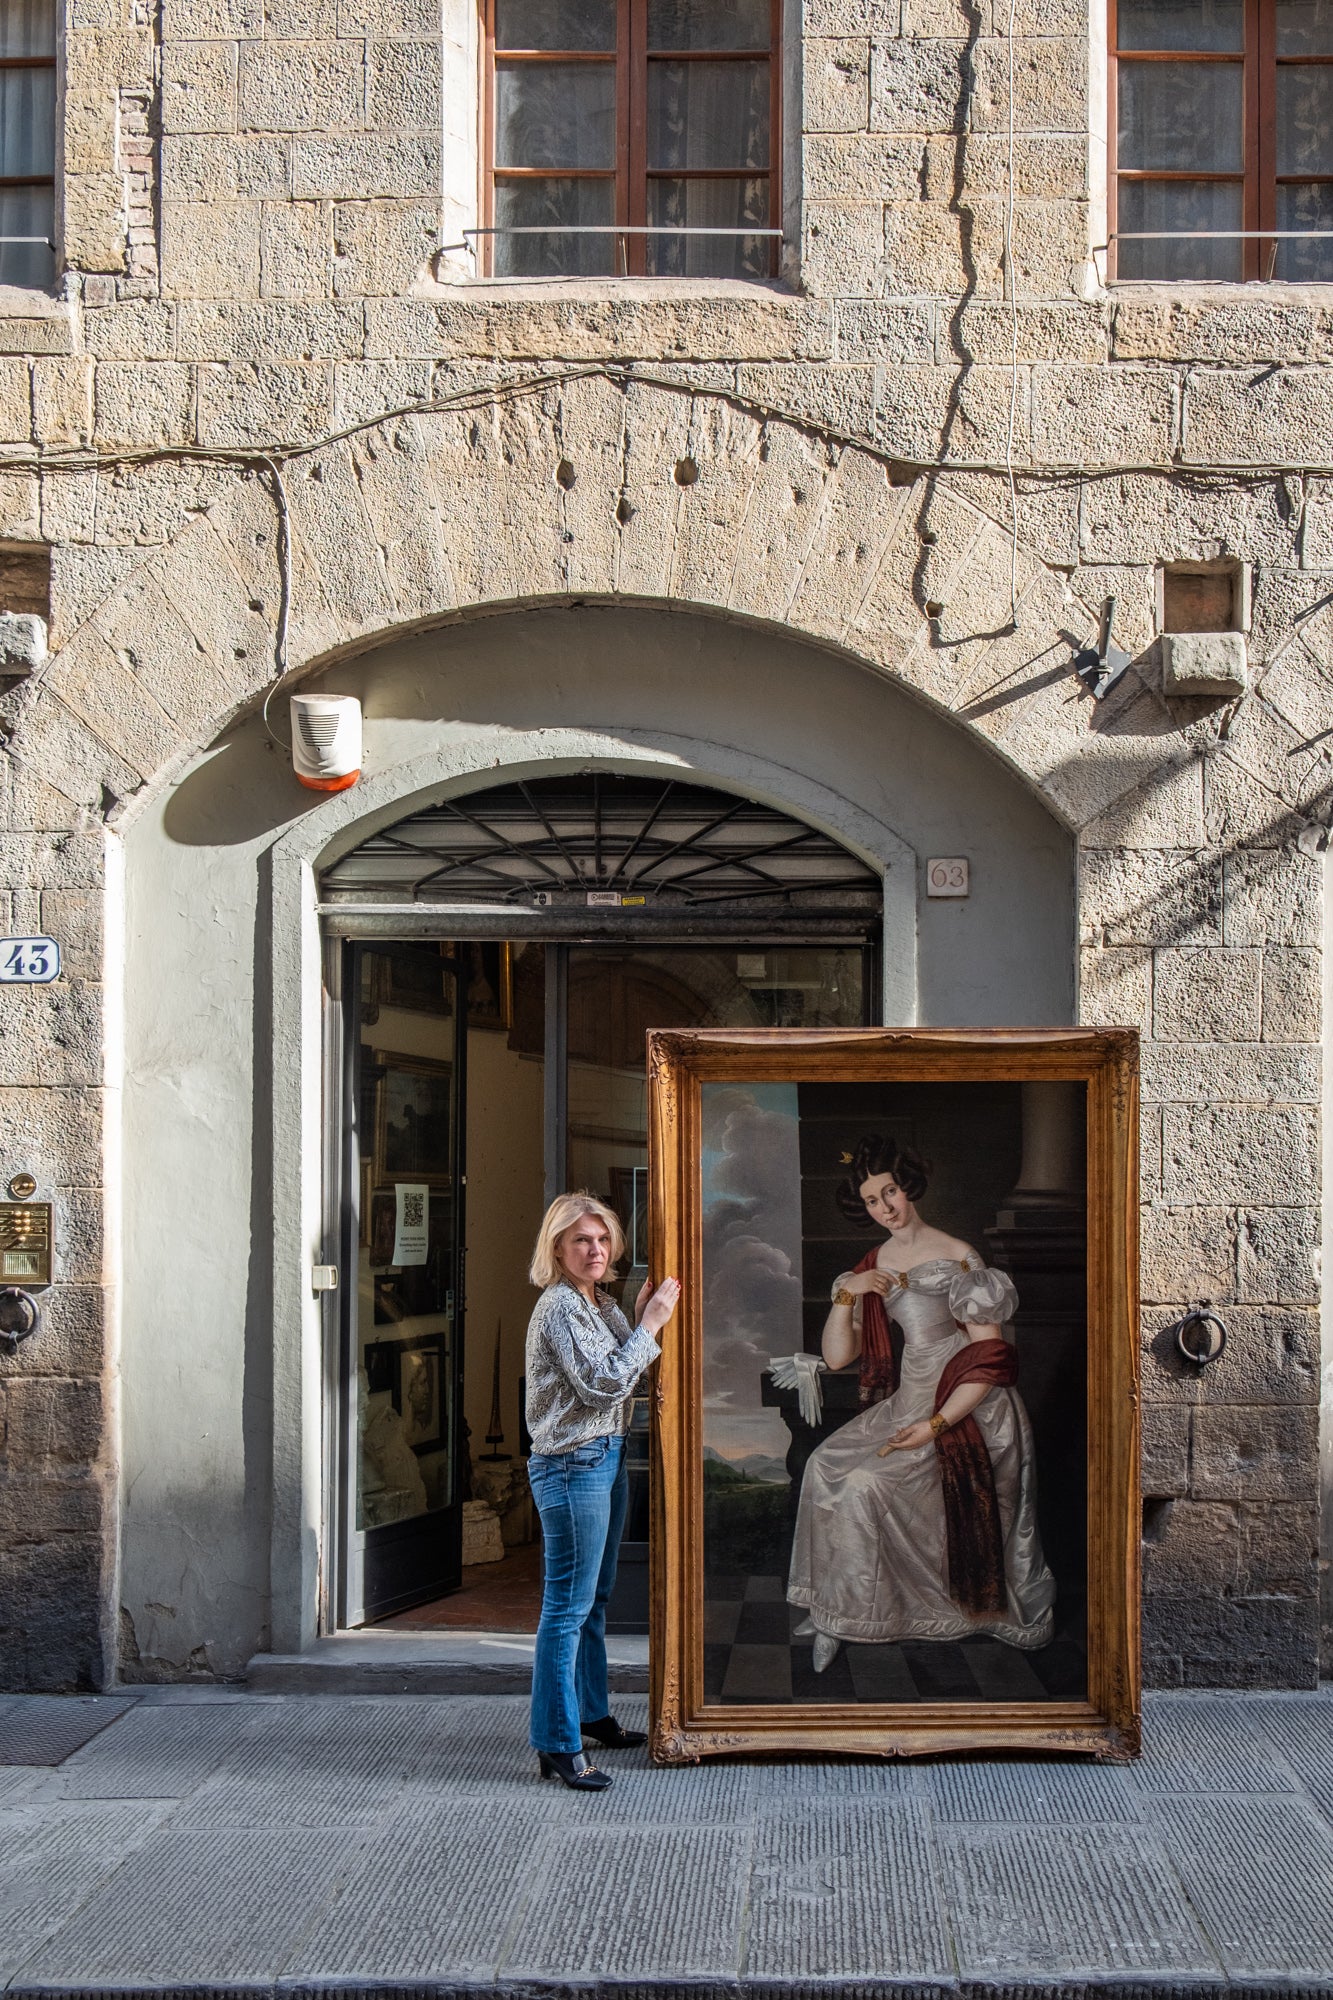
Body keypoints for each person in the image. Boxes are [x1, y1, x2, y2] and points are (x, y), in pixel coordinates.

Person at [787, 1135, 1055, 1670]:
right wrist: (849, 1292)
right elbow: (838, 1356)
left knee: (865, 1484)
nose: (884, 1208)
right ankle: (835, 1607)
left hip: (967, 1402)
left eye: (890, 1192)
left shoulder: (959, 1255)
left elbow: (989, 1358)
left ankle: (860, 1616)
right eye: (871, 1200)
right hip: (910, 1396)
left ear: (908, 1187)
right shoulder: (873, 1262)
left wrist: (936, 1425)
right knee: (823, 1465)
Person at [525, 1192, 680, 1791]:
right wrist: (651, 1325)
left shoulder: (599, 1301)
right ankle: (557, 1743)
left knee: (594, 1600)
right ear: (557, 1248)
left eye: (602, 1239)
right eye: (581, 1240)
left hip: (605, 1457)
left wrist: (637, 1317)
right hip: (572, 1465)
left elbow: (627, 1359)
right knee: (566, 1607)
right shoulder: (560, 1307)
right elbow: (604, 1383)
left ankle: (591, 1715)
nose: (595, 1250)